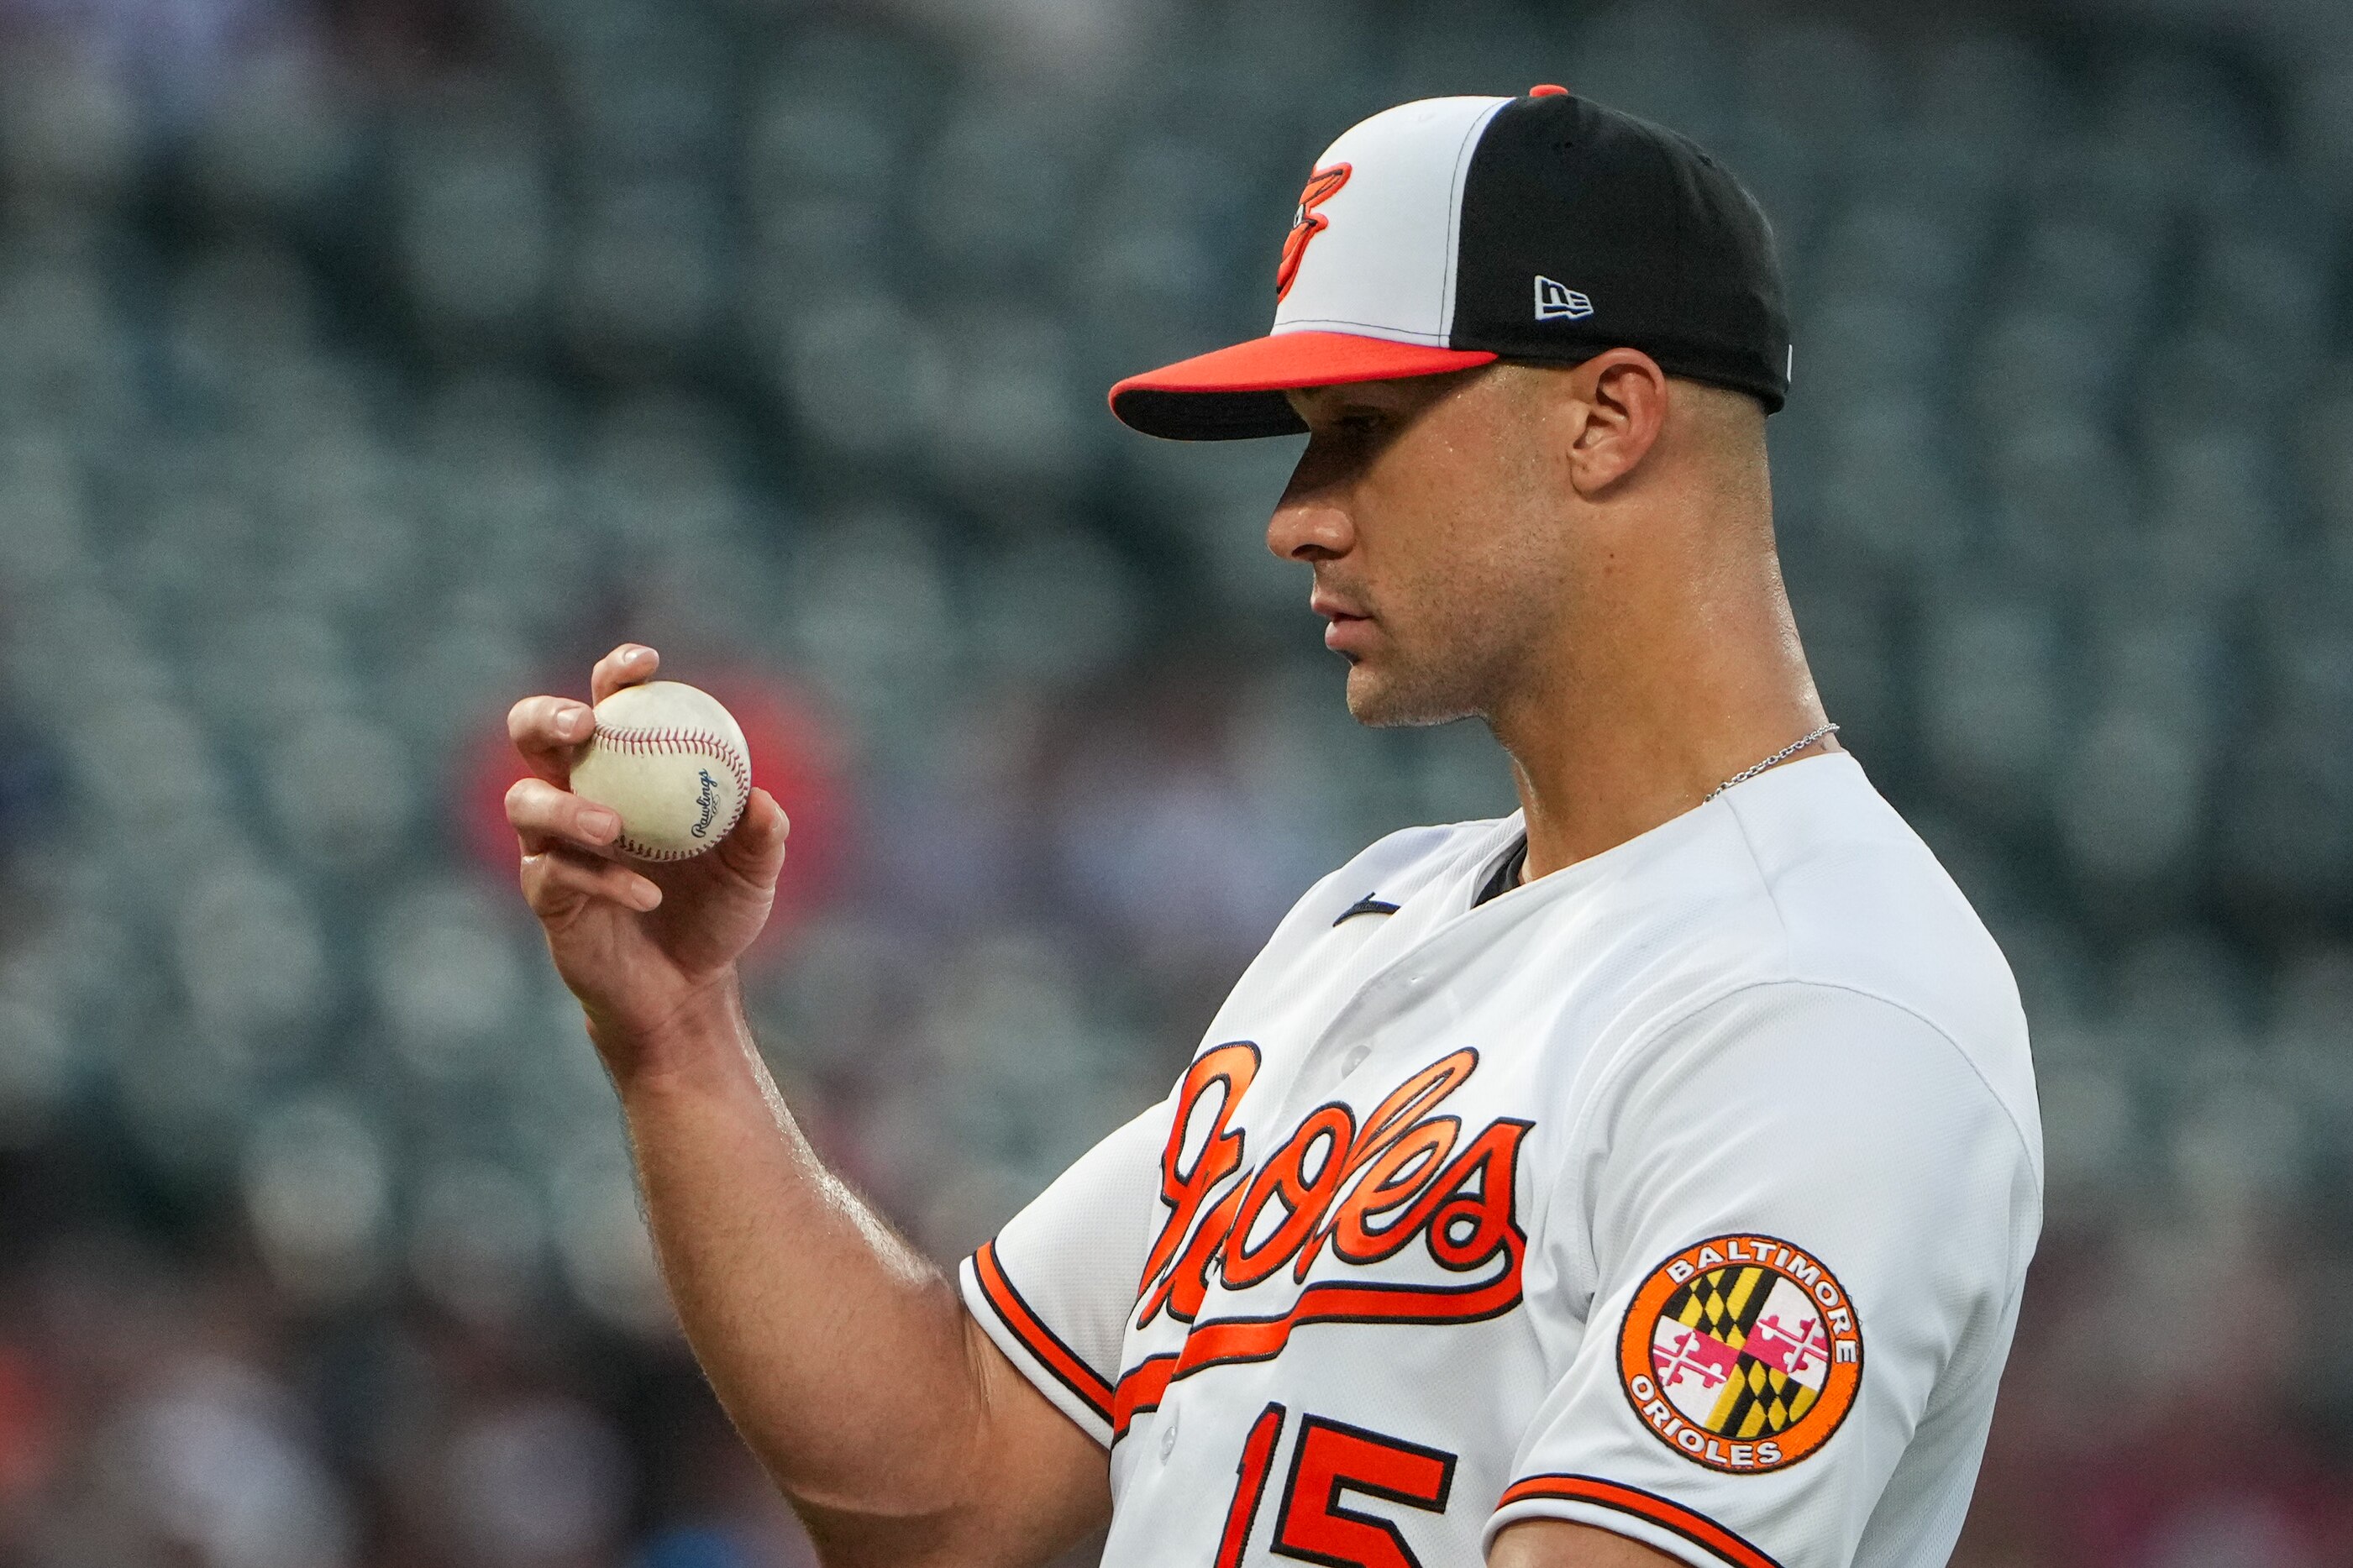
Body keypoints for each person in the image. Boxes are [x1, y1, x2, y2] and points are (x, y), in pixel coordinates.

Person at [503, 90, 2040, 1568]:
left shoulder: (1821, 1004)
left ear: (1606, 418)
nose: (1295, 511)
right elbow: (945, 1483)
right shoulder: (1372, 919)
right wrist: (679, 1038)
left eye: (1361, 427)